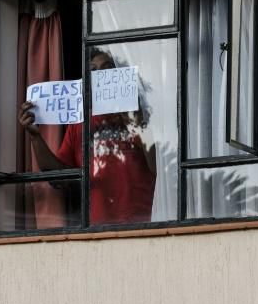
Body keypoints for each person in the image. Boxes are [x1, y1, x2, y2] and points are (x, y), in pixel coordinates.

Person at [19, 49, 157, 225]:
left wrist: (135, 121)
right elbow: (59, 177)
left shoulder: (140, 117)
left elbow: (157, 168)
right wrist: (35, 136)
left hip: (143, 225)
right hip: (96, 230)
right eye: (94, 71)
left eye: (107, 69)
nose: (100, 76)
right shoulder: (80, 123)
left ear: (120, 75)